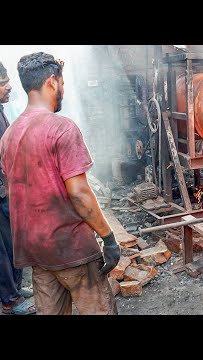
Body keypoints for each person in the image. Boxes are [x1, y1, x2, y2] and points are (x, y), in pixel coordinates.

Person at [0, 52, 120, 315]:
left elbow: (12, 192)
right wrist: (109, 238)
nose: (63, 90)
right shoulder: (62, 128)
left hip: (37, 253)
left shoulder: (9, 135)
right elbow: (79, 194)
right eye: (62, 83)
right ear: (52, 81)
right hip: (72, 250)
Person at [0, 61, 36, 315]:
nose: (9, 86)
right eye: (3, 83)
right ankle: (9, 300)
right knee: (1, 249)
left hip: (6, 190)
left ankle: (16, 287)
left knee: (13, 241)